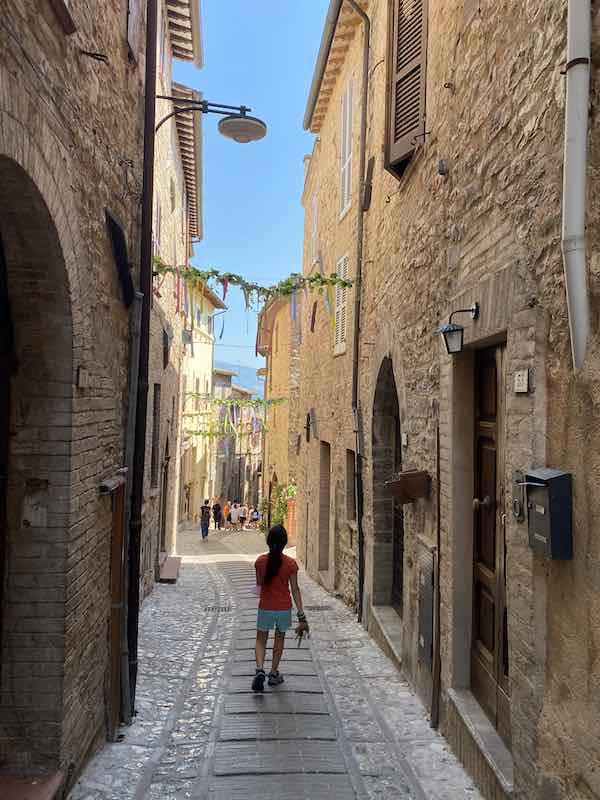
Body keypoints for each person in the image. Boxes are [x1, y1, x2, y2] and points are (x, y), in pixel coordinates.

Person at [252, 524, 309, 692]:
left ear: (268, 541)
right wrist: (301, 614)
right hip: (283, 607)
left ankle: (260, 669)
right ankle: (273, 672)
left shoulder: (260, 562)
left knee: (260, 639)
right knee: (279, 639)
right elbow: (295, 589)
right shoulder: (291, 564)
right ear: (285, 543)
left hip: (266, 606)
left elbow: (259, 584)